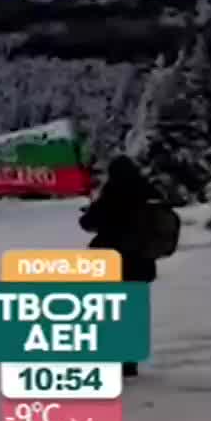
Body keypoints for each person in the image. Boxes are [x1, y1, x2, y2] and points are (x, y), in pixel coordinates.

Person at [79, 155, 163, 379]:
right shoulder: (147, 191)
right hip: (140, 261)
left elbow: (89, 223)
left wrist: (90, 210)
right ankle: (129, 362)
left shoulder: (112, 193)